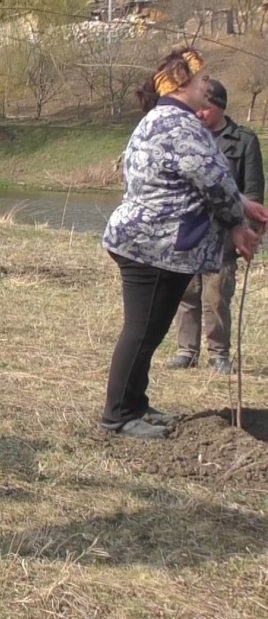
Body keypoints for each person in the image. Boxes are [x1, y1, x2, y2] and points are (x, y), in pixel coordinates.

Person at [101, 49, 265, 440]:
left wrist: (244, 204)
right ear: (182, 84)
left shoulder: (164, 121)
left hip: (152, 243)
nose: (208, 85)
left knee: (149, 330)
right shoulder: (179, 126)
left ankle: (135, 405)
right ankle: (118, 416)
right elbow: (212, 181)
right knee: (142, 331)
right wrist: (239, 224)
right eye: (201, 78)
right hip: (154, 247)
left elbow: (204, 178)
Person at [170, 79, 263, 375]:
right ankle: (186, 350)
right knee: (187, 291)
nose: (199, 114)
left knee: (218, 294)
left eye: (205, 109)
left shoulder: (245, 141)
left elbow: (253, 194)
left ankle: (218, 354)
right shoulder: (188, 137)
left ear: (220, 107)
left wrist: (247, 231)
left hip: (225, 232)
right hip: (191, 228)